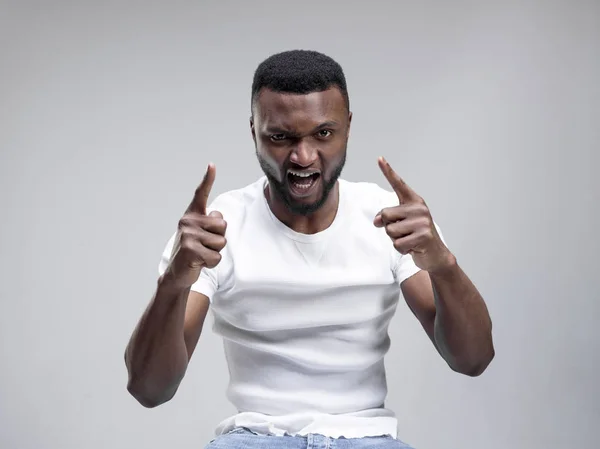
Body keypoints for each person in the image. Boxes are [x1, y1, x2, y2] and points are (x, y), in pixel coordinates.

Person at [124, 49, 495, 449]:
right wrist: (173, 284)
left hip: (367, 437)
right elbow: (150, 390)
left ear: (348, 128)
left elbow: (472, 360)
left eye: (323, 133)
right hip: (255, 438)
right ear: (254, 133)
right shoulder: (217, 229)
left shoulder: (390, 219)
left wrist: (444, 265)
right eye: (280, 137)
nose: (303, 157)